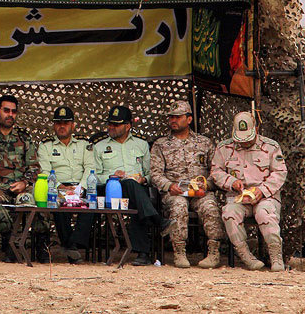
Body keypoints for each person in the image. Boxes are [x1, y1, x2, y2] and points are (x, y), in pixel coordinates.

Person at [71, 105, 169, 266]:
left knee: (135, 191)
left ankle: (143, 255)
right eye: (110, 124)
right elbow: (94, 175)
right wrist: (112, 177)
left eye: (116, 124)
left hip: (135, 188)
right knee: (133, 191)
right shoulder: (99, 146)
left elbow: (151, 173)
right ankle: (156, 224)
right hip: (108, 188)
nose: (111, 127)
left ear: (128, 125)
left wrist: (143, 180)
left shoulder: (141, 145)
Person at [149, 100, 224, 269]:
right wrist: (169, 186)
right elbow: (155, 173)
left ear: (189, 119)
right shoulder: (161, 145)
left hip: (200, 191)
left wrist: (207, 185)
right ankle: (179, 251)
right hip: (175, 191)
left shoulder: (204, 143)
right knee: (179, 206)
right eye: (171, 117)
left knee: (211, 206)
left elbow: (217, 171)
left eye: (177, 117)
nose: (173, 120)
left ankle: (213, 252)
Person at [211, 111, 288, 271]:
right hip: (238, 197)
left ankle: (276, 257)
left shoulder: (271, 147)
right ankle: (246, 256)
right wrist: (232, 183)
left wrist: (262, 190)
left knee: (264, 212)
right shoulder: (224, 148)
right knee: (229, 213)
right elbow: (216, 172)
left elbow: (280, 173)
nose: (244, 142)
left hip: (266, 197)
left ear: (256, 129)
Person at [0, 94, 43, 262]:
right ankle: (11, 244)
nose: (10, 115)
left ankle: (41, 247)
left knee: (39, 201)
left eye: (13, 111)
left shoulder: (23, 137)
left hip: (20, 186)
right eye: (6, 110)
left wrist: (25, 182)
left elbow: (34, 167)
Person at [36, 105, 94, 263]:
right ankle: (72, 248)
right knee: (57, 203)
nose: (62, 126)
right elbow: (45, 171)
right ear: (54, 125)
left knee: (93, 204)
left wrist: (80, 188)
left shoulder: (84, 144)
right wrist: (61, 187)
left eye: (66, 123)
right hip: (58, 187)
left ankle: (71, 244)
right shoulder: (46, 146)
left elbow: (90, 167)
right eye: (58, 123)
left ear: (73, 125)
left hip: (81, 186)